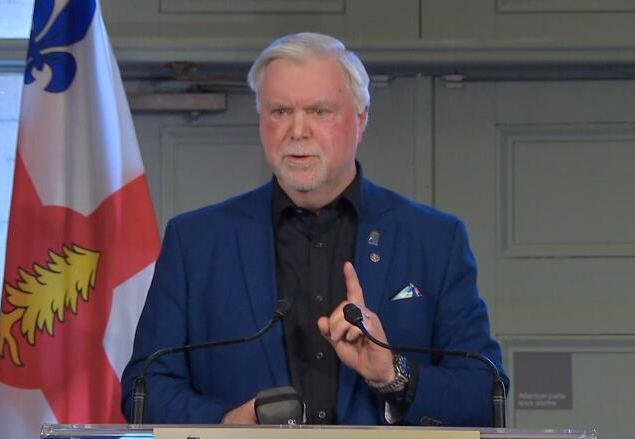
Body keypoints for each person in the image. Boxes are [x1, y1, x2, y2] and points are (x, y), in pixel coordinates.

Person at [121, 32, 508, 427]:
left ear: (361, 118)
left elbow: (484, 393)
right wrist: (228, 422)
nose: (298, 130)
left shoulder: (433, 240)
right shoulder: (197, 242)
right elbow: (145, 388)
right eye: (280, 112)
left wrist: (393, 374)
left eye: (319, 111)